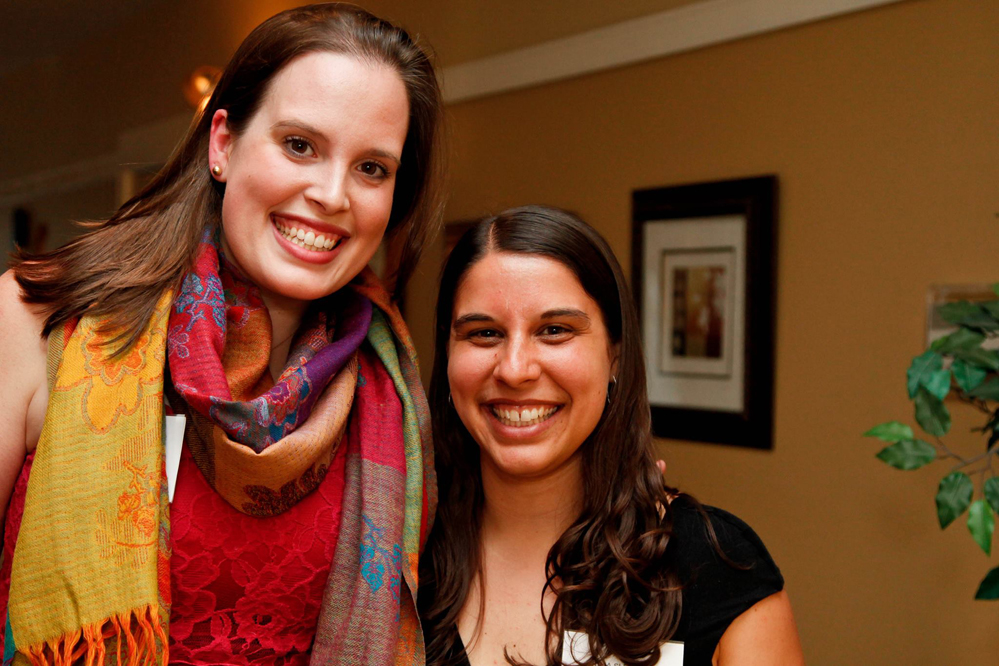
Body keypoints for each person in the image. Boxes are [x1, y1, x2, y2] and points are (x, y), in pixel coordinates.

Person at [0, 4, 442, 664]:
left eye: (371, 168)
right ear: (222, 144)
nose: (331, 193)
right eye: (299, 145)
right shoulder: (41, 319)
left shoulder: (390, 390)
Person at [420, 206, 804, 666]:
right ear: (447, 357)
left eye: (555, 330)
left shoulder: (713, 565)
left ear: (615, 356)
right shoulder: (392, 557)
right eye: (484, 333)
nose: (515, 369)